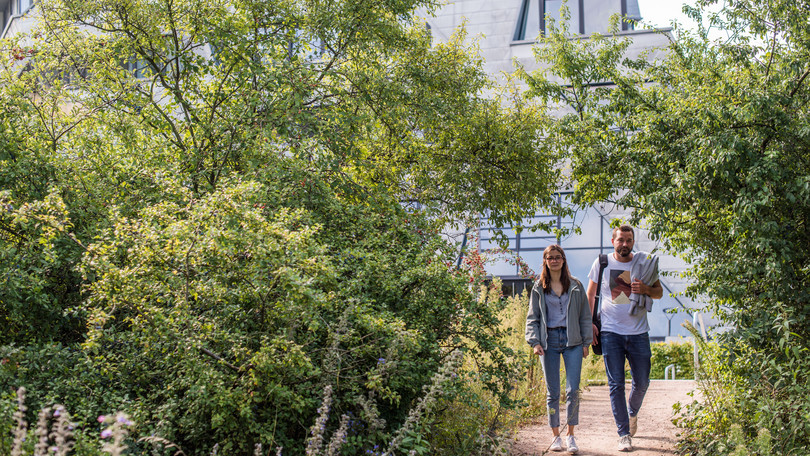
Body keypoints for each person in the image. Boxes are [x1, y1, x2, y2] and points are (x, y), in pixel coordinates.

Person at [587, 225, 663, 452]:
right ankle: (623, 434)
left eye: (629, 240)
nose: (625, 244)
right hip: (611, 332)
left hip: (639, 332)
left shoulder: (644, 262)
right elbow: (591, 294)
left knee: (642, 382)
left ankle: (631, 413)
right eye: (621, 240)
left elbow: (658, 293)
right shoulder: (602, 262)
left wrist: (646, 289)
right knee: (615, 385)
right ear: (613, 241)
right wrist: (589, 323)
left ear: (633, 242)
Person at [526, 245, 592, 454]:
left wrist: (585, 342)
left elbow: (584, 316)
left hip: (572, 340)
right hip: (549, 341)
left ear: (563, 260)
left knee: (573, 390)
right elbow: (532, 318)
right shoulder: (539, 287)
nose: (554, 261)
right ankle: (556, 436)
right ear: (545, 261)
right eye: (550, 258)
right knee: (552, 392)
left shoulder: (576, 285)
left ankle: (570, 435)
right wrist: (535, 341)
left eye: (558, 257)